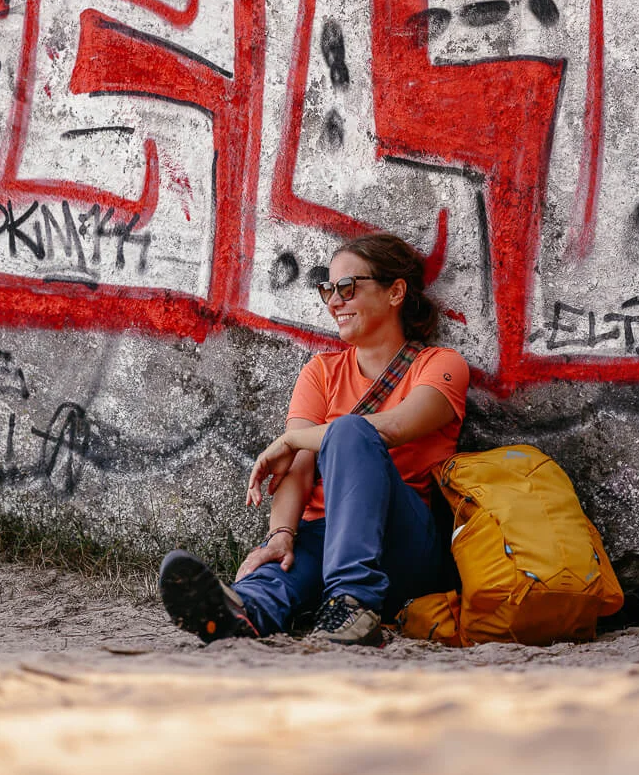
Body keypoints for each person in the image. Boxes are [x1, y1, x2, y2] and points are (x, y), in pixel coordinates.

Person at [159, 232, 470, 646]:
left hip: (401, 542)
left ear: (395, 292)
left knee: (351, 430)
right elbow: (299, 469)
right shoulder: (321, 372)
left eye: (348, 287)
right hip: (324, 537)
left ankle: (353, 603)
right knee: (281, 569)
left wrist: (293, 440)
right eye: (328, 289)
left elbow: (392, 426)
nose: (334, 302)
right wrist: (280, 535)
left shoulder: (441, 365)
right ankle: (242, 613)